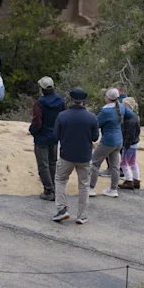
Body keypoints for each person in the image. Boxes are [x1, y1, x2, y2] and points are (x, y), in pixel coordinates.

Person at [52, 87, 99, 225]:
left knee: (60, 180)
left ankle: (62, 209)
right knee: (84, 185)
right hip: (84, 156)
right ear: (84, 101)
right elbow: (95, 137)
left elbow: (56, 135)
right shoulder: (91, 117)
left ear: (71, 99)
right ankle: (81, 215)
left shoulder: (62, 116)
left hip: (67, 154)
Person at [91, 88, 136, 198]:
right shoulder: (121, 107)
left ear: (107, 98)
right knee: (115, 166)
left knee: (95, 163)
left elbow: (96, 124)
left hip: (108, 140)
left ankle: (91, 188)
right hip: (118, 140)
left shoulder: (105, 111)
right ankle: (113, 189)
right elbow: (131, 116)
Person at [29, 76, 66, 200]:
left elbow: (37, 121)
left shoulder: (40, 103)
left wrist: (33, 131)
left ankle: (49, 190)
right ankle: (53, 187)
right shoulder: (60, 101)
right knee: (52, 162)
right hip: (55, 135)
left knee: (43, 165)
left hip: (42, 137)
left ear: (42, 89)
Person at [120, 105, 142, 190]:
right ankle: (136, 180)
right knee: (133, 162)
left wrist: (125, 144)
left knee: (124, 163)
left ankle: (129, 181)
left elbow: (129, 134)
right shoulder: (136, 117)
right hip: (135, 143)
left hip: (130, 144)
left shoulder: (130, 120)